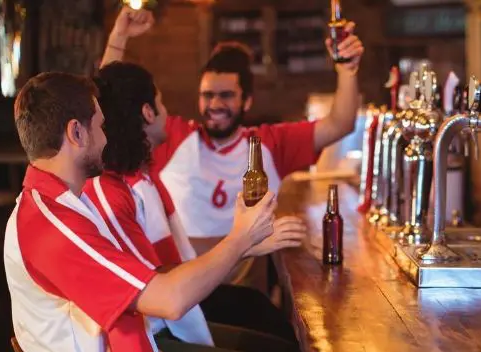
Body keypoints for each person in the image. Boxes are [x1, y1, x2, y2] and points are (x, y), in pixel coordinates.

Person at [4, 71, 290, 352]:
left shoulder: (56, 205)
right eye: (100, 126)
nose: (106, 138)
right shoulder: (53, 225)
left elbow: (98, 318)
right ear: (76, 132)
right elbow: (168, 300)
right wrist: (242, 237)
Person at [101, 6, 364, 255]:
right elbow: (111, 110)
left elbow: (340, 124)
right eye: (207, 95)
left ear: (246, 101)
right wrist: (119, 37)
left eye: (226, 95)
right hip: (184, 276)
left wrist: (347, 70)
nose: (215, 104)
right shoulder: (172, 135)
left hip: (242, 285)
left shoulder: (267, 144)